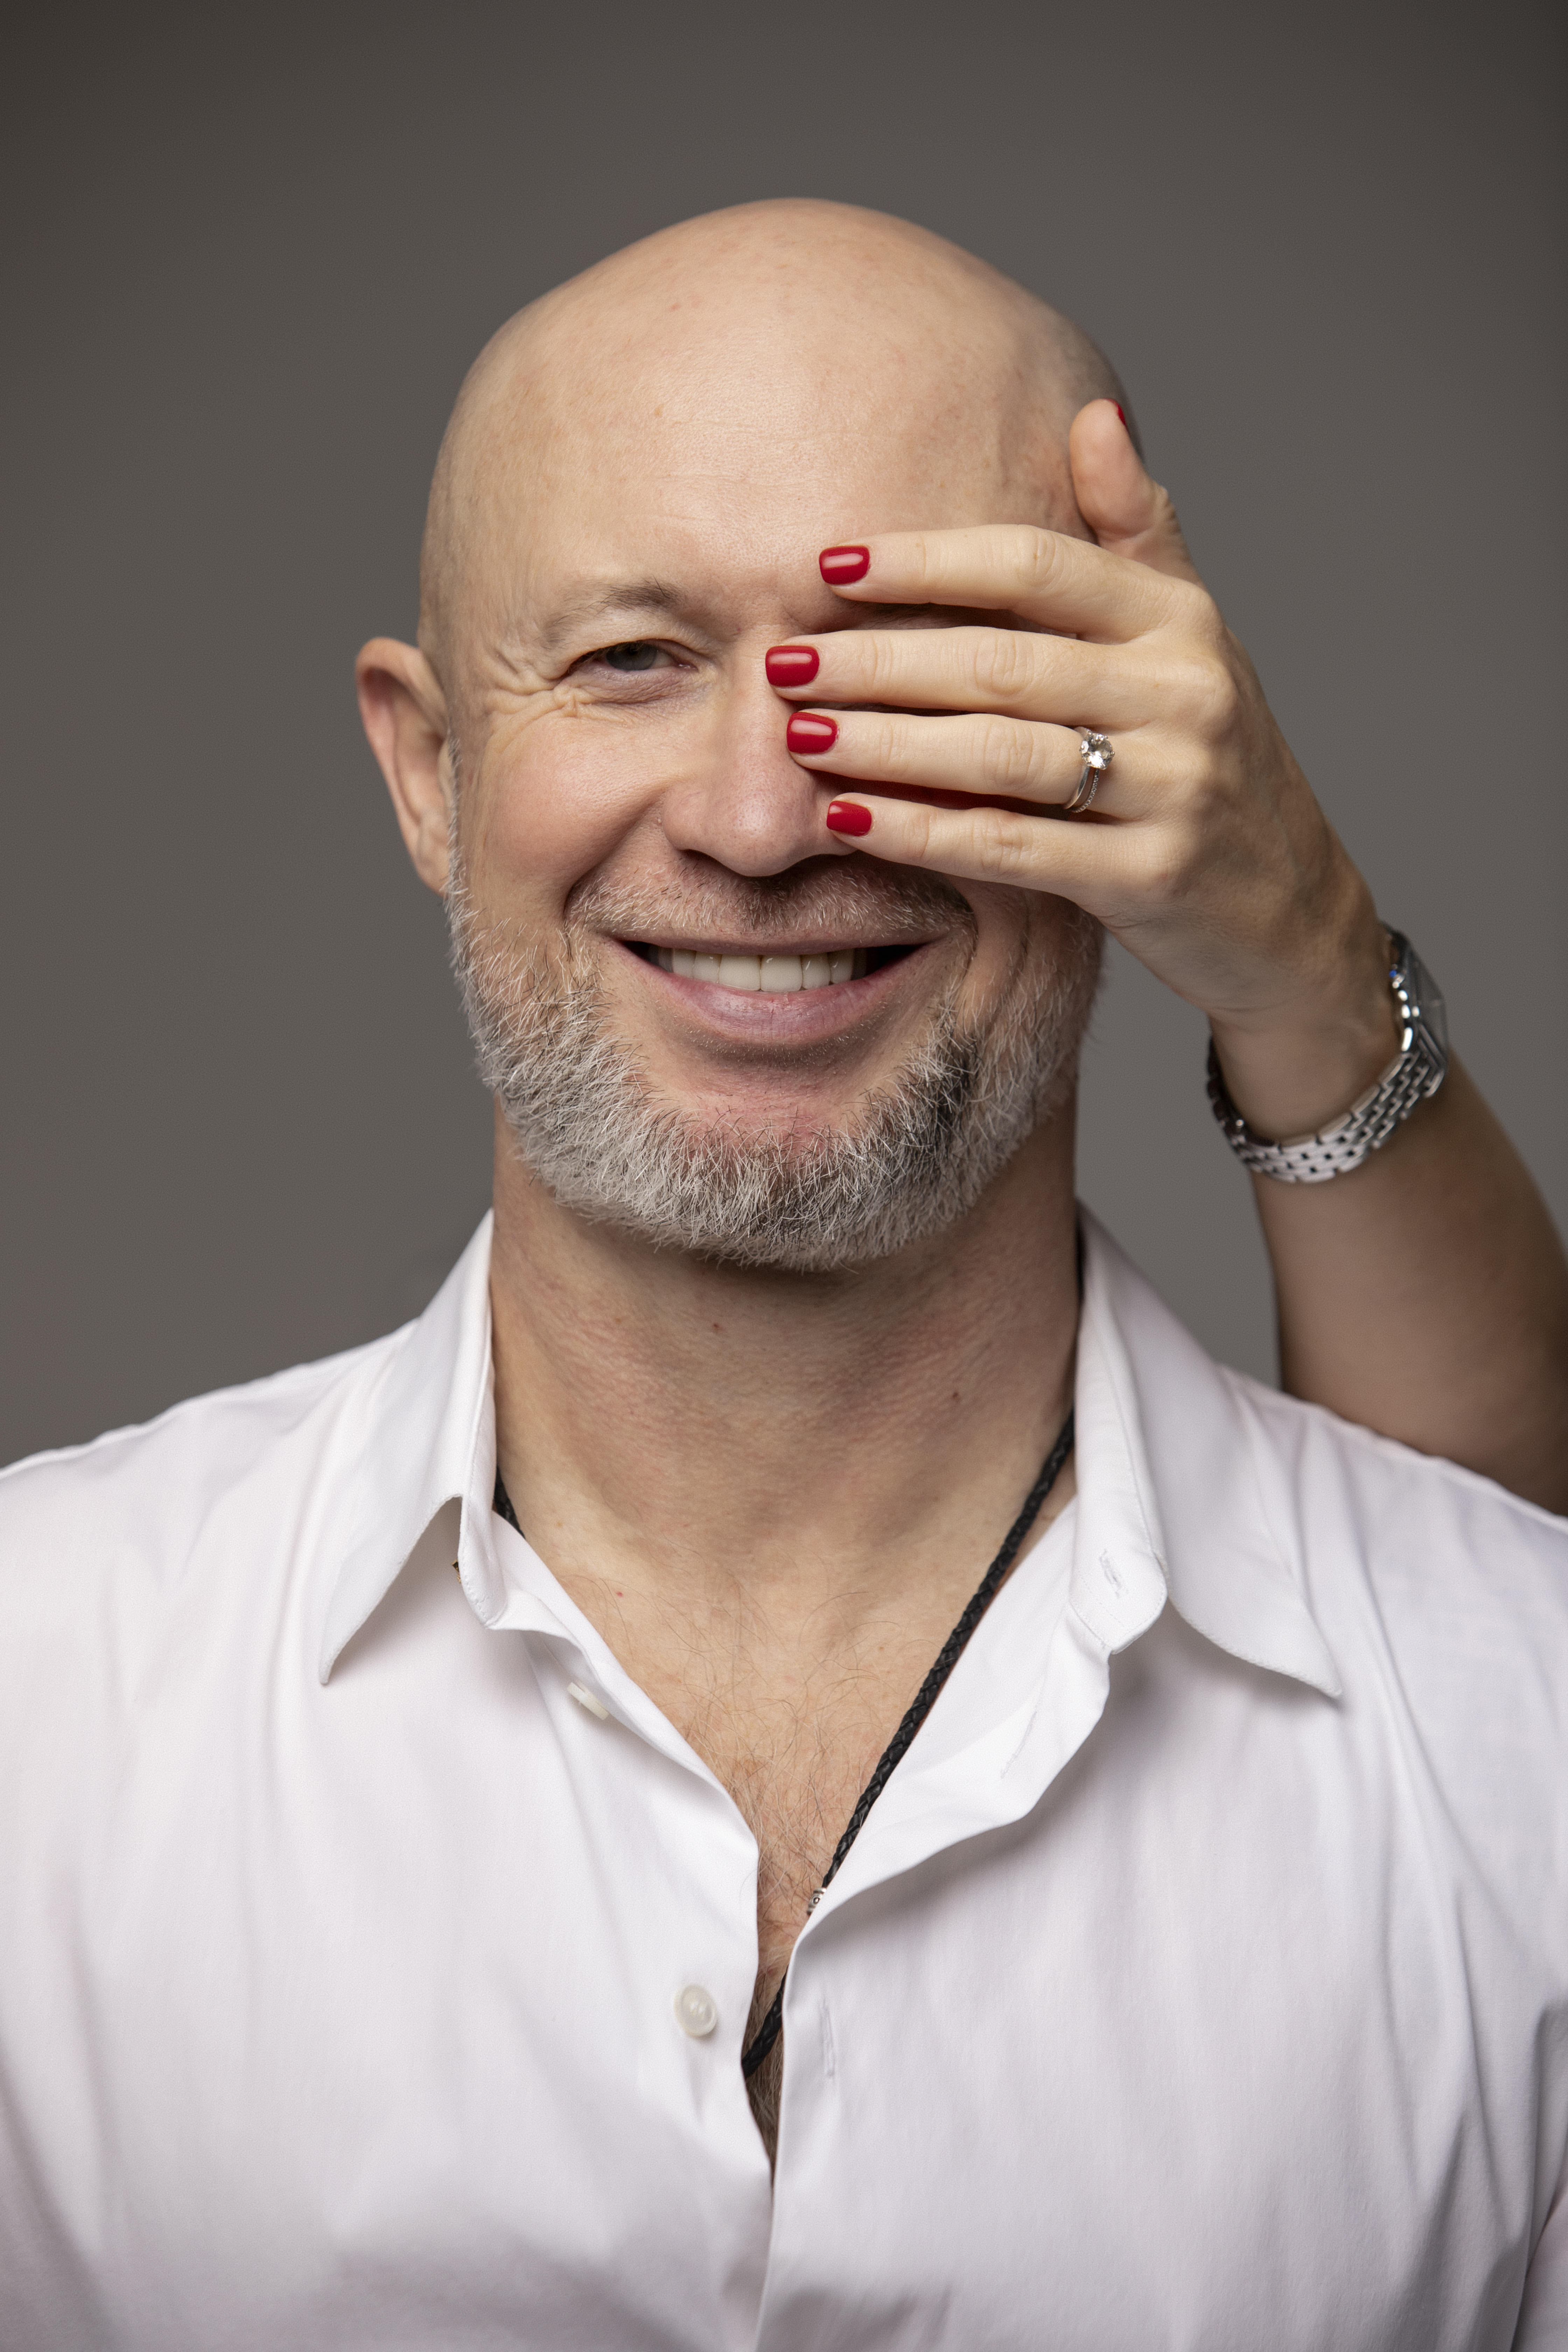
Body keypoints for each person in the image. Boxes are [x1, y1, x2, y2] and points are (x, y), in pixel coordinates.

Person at [0, 201, 1563, 2351]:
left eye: (907, 669)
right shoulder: (36, 1702)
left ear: (1149, 767)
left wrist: (1303, 945)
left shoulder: (1519, 1733)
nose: (758, 815)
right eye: (633, 657)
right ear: (430, 769)